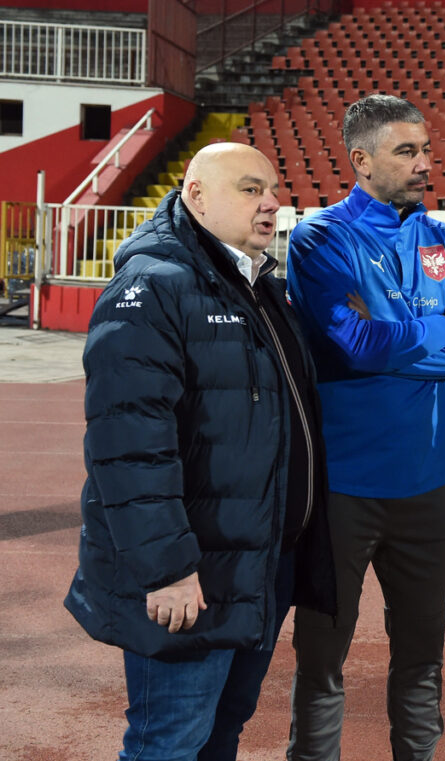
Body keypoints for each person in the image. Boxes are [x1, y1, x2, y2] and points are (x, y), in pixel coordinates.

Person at [63, 142, 336, 761]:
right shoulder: (155, 285)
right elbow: (127, 443)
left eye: (272, 190)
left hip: (257, 566)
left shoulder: (259, 285)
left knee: (223, 732)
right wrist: (166, 571)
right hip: (193, 577)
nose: (272, 203)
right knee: (169, 743)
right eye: (249, 189)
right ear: (196, 195)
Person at [284, 94, 445, 761]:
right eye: (407, 151)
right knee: (322, 653)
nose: (424, 163)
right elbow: (352, 347)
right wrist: (435, 331)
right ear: (362, 159)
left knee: (422, 656)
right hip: (342, 486)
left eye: (426, 150)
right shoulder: (319, 239)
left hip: (427, 486)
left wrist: (394, 338)